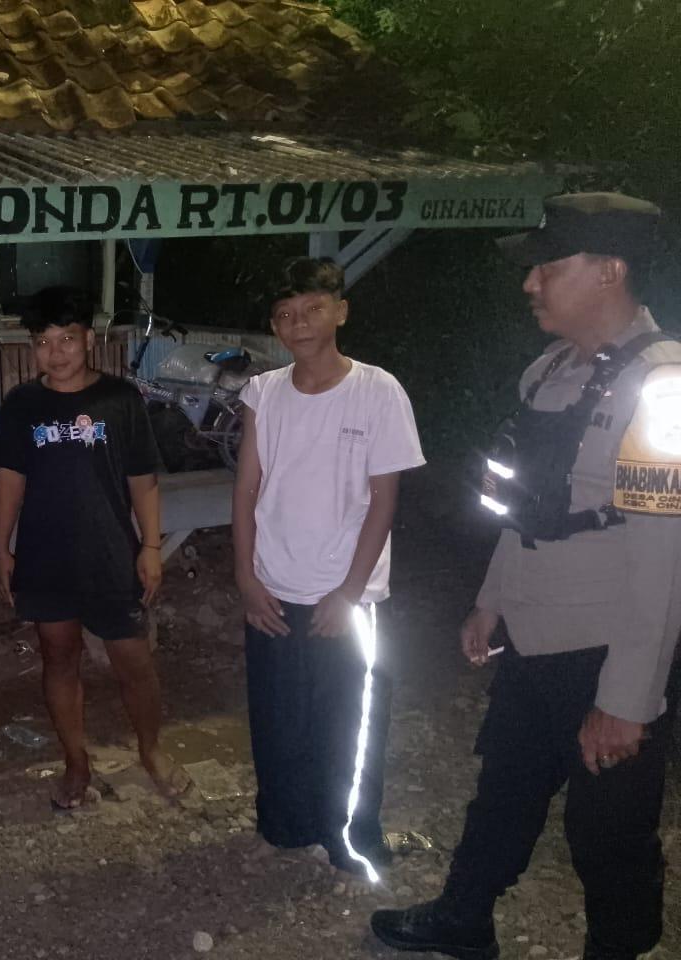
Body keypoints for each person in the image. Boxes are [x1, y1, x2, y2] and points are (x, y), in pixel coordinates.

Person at [371, 193, 681, 960]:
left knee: (608, 830)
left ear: (609, 271)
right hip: (536, 633)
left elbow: (665, 559)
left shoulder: (662, 386)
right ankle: (463, 920)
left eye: (548, 266)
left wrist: (627, 701)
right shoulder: (549, 373)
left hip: (606, 647)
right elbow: (527, 508)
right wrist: (491, 601)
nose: (529, 283)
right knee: (503, 791)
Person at [232, 257, 425, 875]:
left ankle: (351, 840)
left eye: (313, 308)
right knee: (278, 717)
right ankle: (285, 825)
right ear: (274, 326)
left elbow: (383, 501)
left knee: (350, 722)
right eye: (285, 314)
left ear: (340, 311)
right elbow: (246, 490)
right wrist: (245, 577)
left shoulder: (378, 390)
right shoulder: (263, 393)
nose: (299, 323)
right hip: (272, 586)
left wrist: (348, 593)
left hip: (347, 595)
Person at [0, 286, 190, 810]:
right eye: (43, 342)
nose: (56, 353)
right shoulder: (22, 404)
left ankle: (151, 750)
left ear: (89, 341)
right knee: (59, 658)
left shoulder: (119, 400)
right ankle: (76, 762)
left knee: (134, 661)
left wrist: (151, 546)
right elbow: (9, 480)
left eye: (67, 339)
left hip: (110, 554)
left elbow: (143, 480)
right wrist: (1, 549)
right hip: (44, 557)